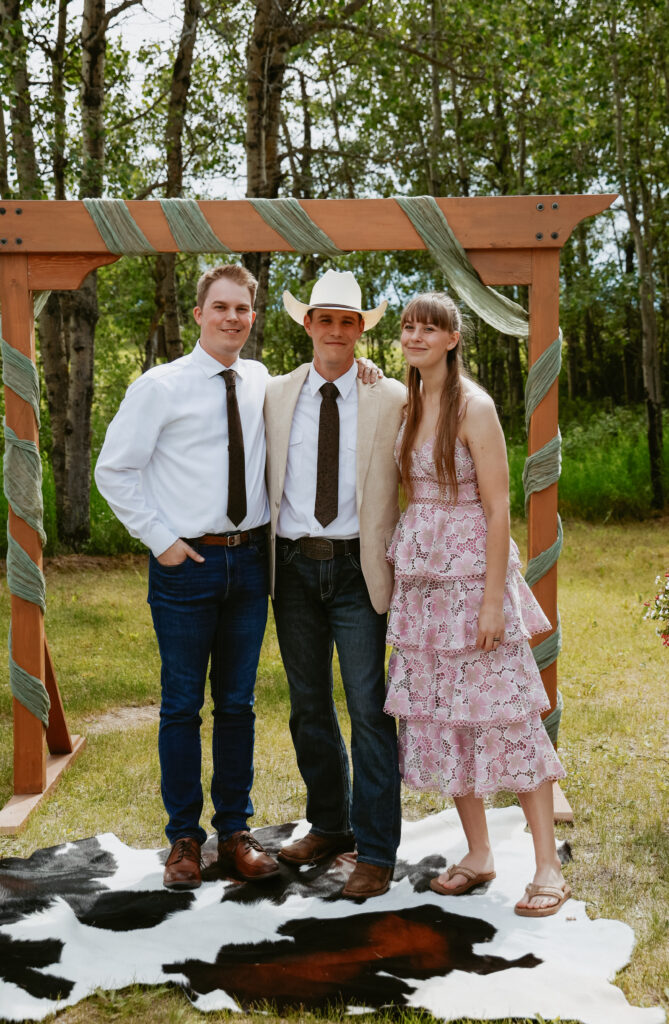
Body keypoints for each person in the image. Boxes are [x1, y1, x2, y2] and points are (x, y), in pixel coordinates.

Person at [383, 291, 571, 917]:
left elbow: (498, 507)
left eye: (427, 329)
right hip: (424, 587)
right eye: (408, 327)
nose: (415, 337)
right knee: (445, 715)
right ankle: (479, 852)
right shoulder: (407, 402)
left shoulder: (474, 405)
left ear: (453, 338)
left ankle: (547, 864)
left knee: (506, 715)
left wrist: (494, 602)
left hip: (472, 577)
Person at [95, 264, 280, 890]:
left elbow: (318, 395)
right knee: (181, 705)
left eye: (242, 309)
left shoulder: (260, 380)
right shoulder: (160, 387)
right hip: (186, 567)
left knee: (237, 704)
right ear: (199, 313)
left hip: (249, 562)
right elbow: (114, 469)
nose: (232, 317)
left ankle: (234, 832)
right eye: (220, 307)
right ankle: (182, 838)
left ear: (253, 318)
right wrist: (163, 541)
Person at [264, 269, 406, 900]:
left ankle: (375, 851)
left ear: (360, 331)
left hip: (357, 568)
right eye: (326, 319)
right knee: (308, 706)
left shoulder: (391, 396)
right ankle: (329, 824)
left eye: (349, 321)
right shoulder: (273, 393)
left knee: (370, 709)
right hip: (291, 568)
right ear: (307, 325)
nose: (337, 331)